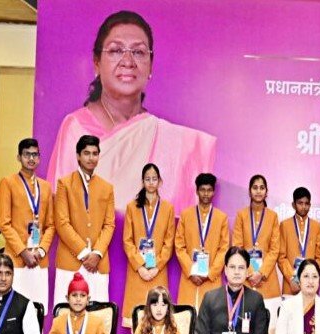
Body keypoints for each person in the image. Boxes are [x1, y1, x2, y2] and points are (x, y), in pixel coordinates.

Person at [46, 10, 215, 213]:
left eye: (139, 52)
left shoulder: (176, 142)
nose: (128, 61)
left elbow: (189, 220)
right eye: (116, 50)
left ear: (150, 66)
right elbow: (60, 210)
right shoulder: (75, 127)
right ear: (97, 63)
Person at [54, 134, 115, 303]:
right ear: (78, 156)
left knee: (99, 313)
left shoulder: (107, 188)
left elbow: (109, 225)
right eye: (86, 153)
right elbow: (62, 223)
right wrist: (85, 253)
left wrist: (97, 253)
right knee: (65, 311)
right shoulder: (64, 184)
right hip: (70, 261)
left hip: (98, 263)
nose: (91, 158)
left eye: (95, 153)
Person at [0, 137, 55, 309]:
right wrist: (23, 252)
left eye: (35, 155)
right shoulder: (8, 183)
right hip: (16, 261)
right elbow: (4, 224)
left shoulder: (45, 187)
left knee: (38, 310)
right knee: (14, 310)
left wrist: (41, 251)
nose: (31, 158)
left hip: (39, 261)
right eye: (27, 154)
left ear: (39, 158)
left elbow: (51, 225)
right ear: (19, 157)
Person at [121, 163, 175, 327]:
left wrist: (156, 267)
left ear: (160, 181)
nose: (151, 183)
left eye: (154, 179)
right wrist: (140, 266)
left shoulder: (168, 209)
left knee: (159, 317)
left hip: (158, 271)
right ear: (142, 181)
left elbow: (169, 243)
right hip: (137, 271)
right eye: (147, 179)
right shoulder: (132, 207)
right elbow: (127, 240)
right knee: (136, 323)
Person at [175, 173, 230, 310]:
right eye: (202, 190)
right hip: (189, 280)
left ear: (214, 192)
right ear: (197, 191)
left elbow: (224, 249)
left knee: (211, 318)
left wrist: (210, 273)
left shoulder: (221, 218)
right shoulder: (185, 215)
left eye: (209, 190)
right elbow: (179, 246)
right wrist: (191, 271)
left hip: (211, 281)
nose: (206, 194)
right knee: (187, 318)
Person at [232, 174, 281, 300]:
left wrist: (261, 273)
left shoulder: (273, 217)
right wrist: (249, 272)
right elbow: (237, 247)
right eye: (255, 188)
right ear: (249, 192)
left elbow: (274, 249)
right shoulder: (241, 215)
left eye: (262, 188)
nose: (258, 191)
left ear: (266, 192)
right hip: (245, 279)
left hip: (268, 280)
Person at [278, 186, 320, 296]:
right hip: (291, 285)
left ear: (310, 205)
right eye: (300, 203)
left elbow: (318, 258)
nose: (303, 207)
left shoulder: (316, 226)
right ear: (293, 205)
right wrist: (292, 278)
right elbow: (281, 257)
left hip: (310, 284)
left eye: (306, 203)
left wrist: (311, 276)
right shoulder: (285, 225)